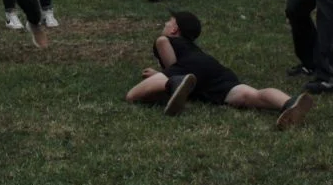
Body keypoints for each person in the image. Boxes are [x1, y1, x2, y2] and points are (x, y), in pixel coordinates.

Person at [124, 11, 315, 129]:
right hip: (216, 71)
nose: (165, 24)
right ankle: (288, 103)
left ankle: (173, 84)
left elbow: (173, 66)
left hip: (187, 71)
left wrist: (163, 76)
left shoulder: (164, 39)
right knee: (250, 94)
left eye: (168, 21)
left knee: (132, 96)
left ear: (175, 29)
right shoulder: (193, 48)